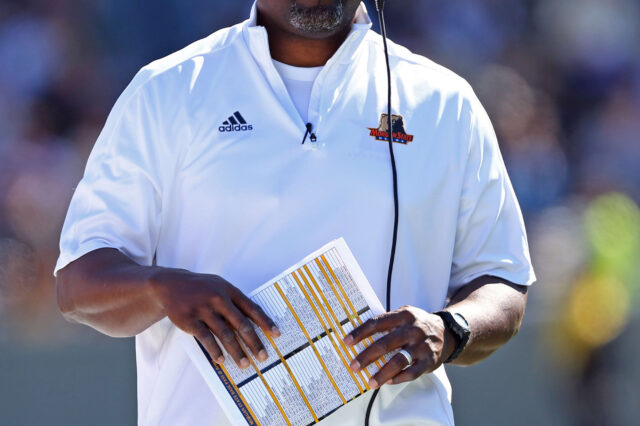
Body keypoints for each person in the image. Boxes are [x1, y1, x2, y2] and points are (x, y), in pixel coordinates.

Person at [55, 1, 535, 425]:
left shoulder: (444, 102)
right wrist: (162, 288)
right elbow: (77, 284)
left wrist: (448, 330)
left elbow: (503, 283)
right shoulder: (168, 90)